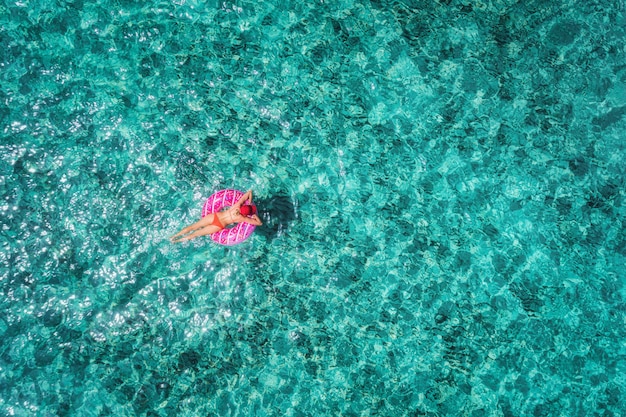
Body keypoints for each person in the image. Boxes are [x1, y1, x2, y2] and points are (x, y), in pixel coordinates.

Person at [170, 190, 262, 243]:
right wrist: (254, 215)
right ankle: (176, 241)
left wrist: (249, 201)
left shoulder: (237, 205)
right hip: (218, 225)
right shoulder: (242, 218)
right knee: (195, 234)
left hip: (214, 216)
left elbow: (249, 192)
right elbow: (259, 223)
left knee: (192, 227)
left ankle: (174, 236)